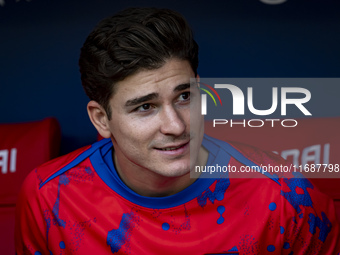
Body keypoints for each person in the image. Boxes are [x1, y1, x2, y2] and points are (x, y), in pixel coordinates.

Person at [15, 7, 340, 254]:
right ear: (101, 119)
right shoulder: (50, 196)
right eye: (145, 106)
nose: (177, 126)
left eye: (185, 97)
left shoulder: (281, 192)